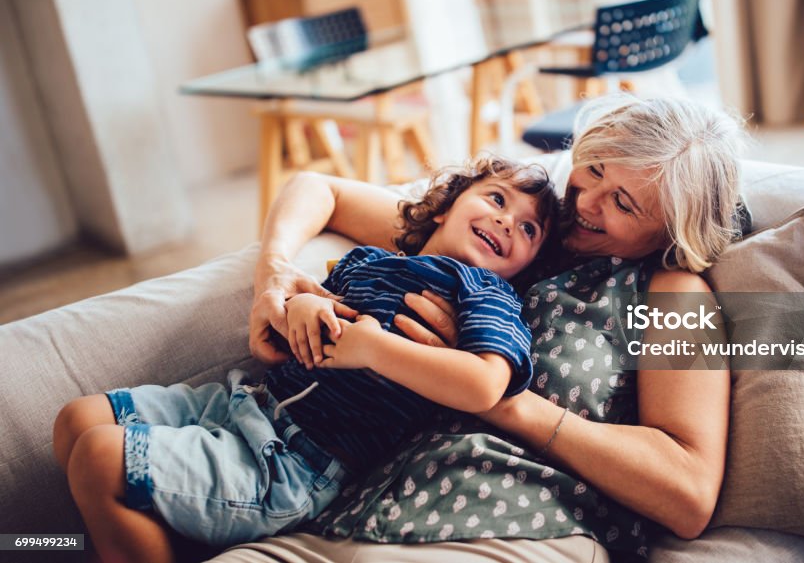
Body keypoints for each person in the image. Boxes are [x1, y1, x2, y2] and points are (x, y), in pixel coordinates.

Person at [206, 94, 747, 563]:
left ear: (669, 233)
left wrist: (496, 397)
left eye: (623, 204)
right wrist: (274, 272)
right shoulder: (511, 235)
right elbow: (323, 190)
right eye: (596, 169)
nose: (584, 203)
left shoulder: (673, 293)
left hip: (514, 524)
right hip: (354, 506)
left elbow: (688, 492)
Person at [52, 157, 561, 562]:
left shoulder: (486, 295)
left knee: (101, 457)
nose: (506, 221)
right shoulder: (371, 260)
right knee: (77, 421)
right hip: (240, 406)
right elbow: (301, 299)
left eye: (529, 230)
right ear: (445, 205)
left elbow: (486, 386)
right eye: (497, 198)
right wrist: (302, 304)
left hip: (297, 463)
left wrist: (375, 349)